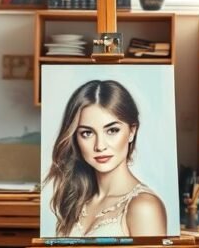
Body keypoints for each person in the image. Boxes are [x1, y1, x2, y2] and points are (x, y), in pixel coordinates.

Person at [44, 79, 167, 237]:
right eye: (87, 133)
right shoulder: (75, 200)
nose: (100, 146)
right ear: (75, 137)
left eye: (112, 130)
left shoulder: (144, 207)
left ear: (132, 131)